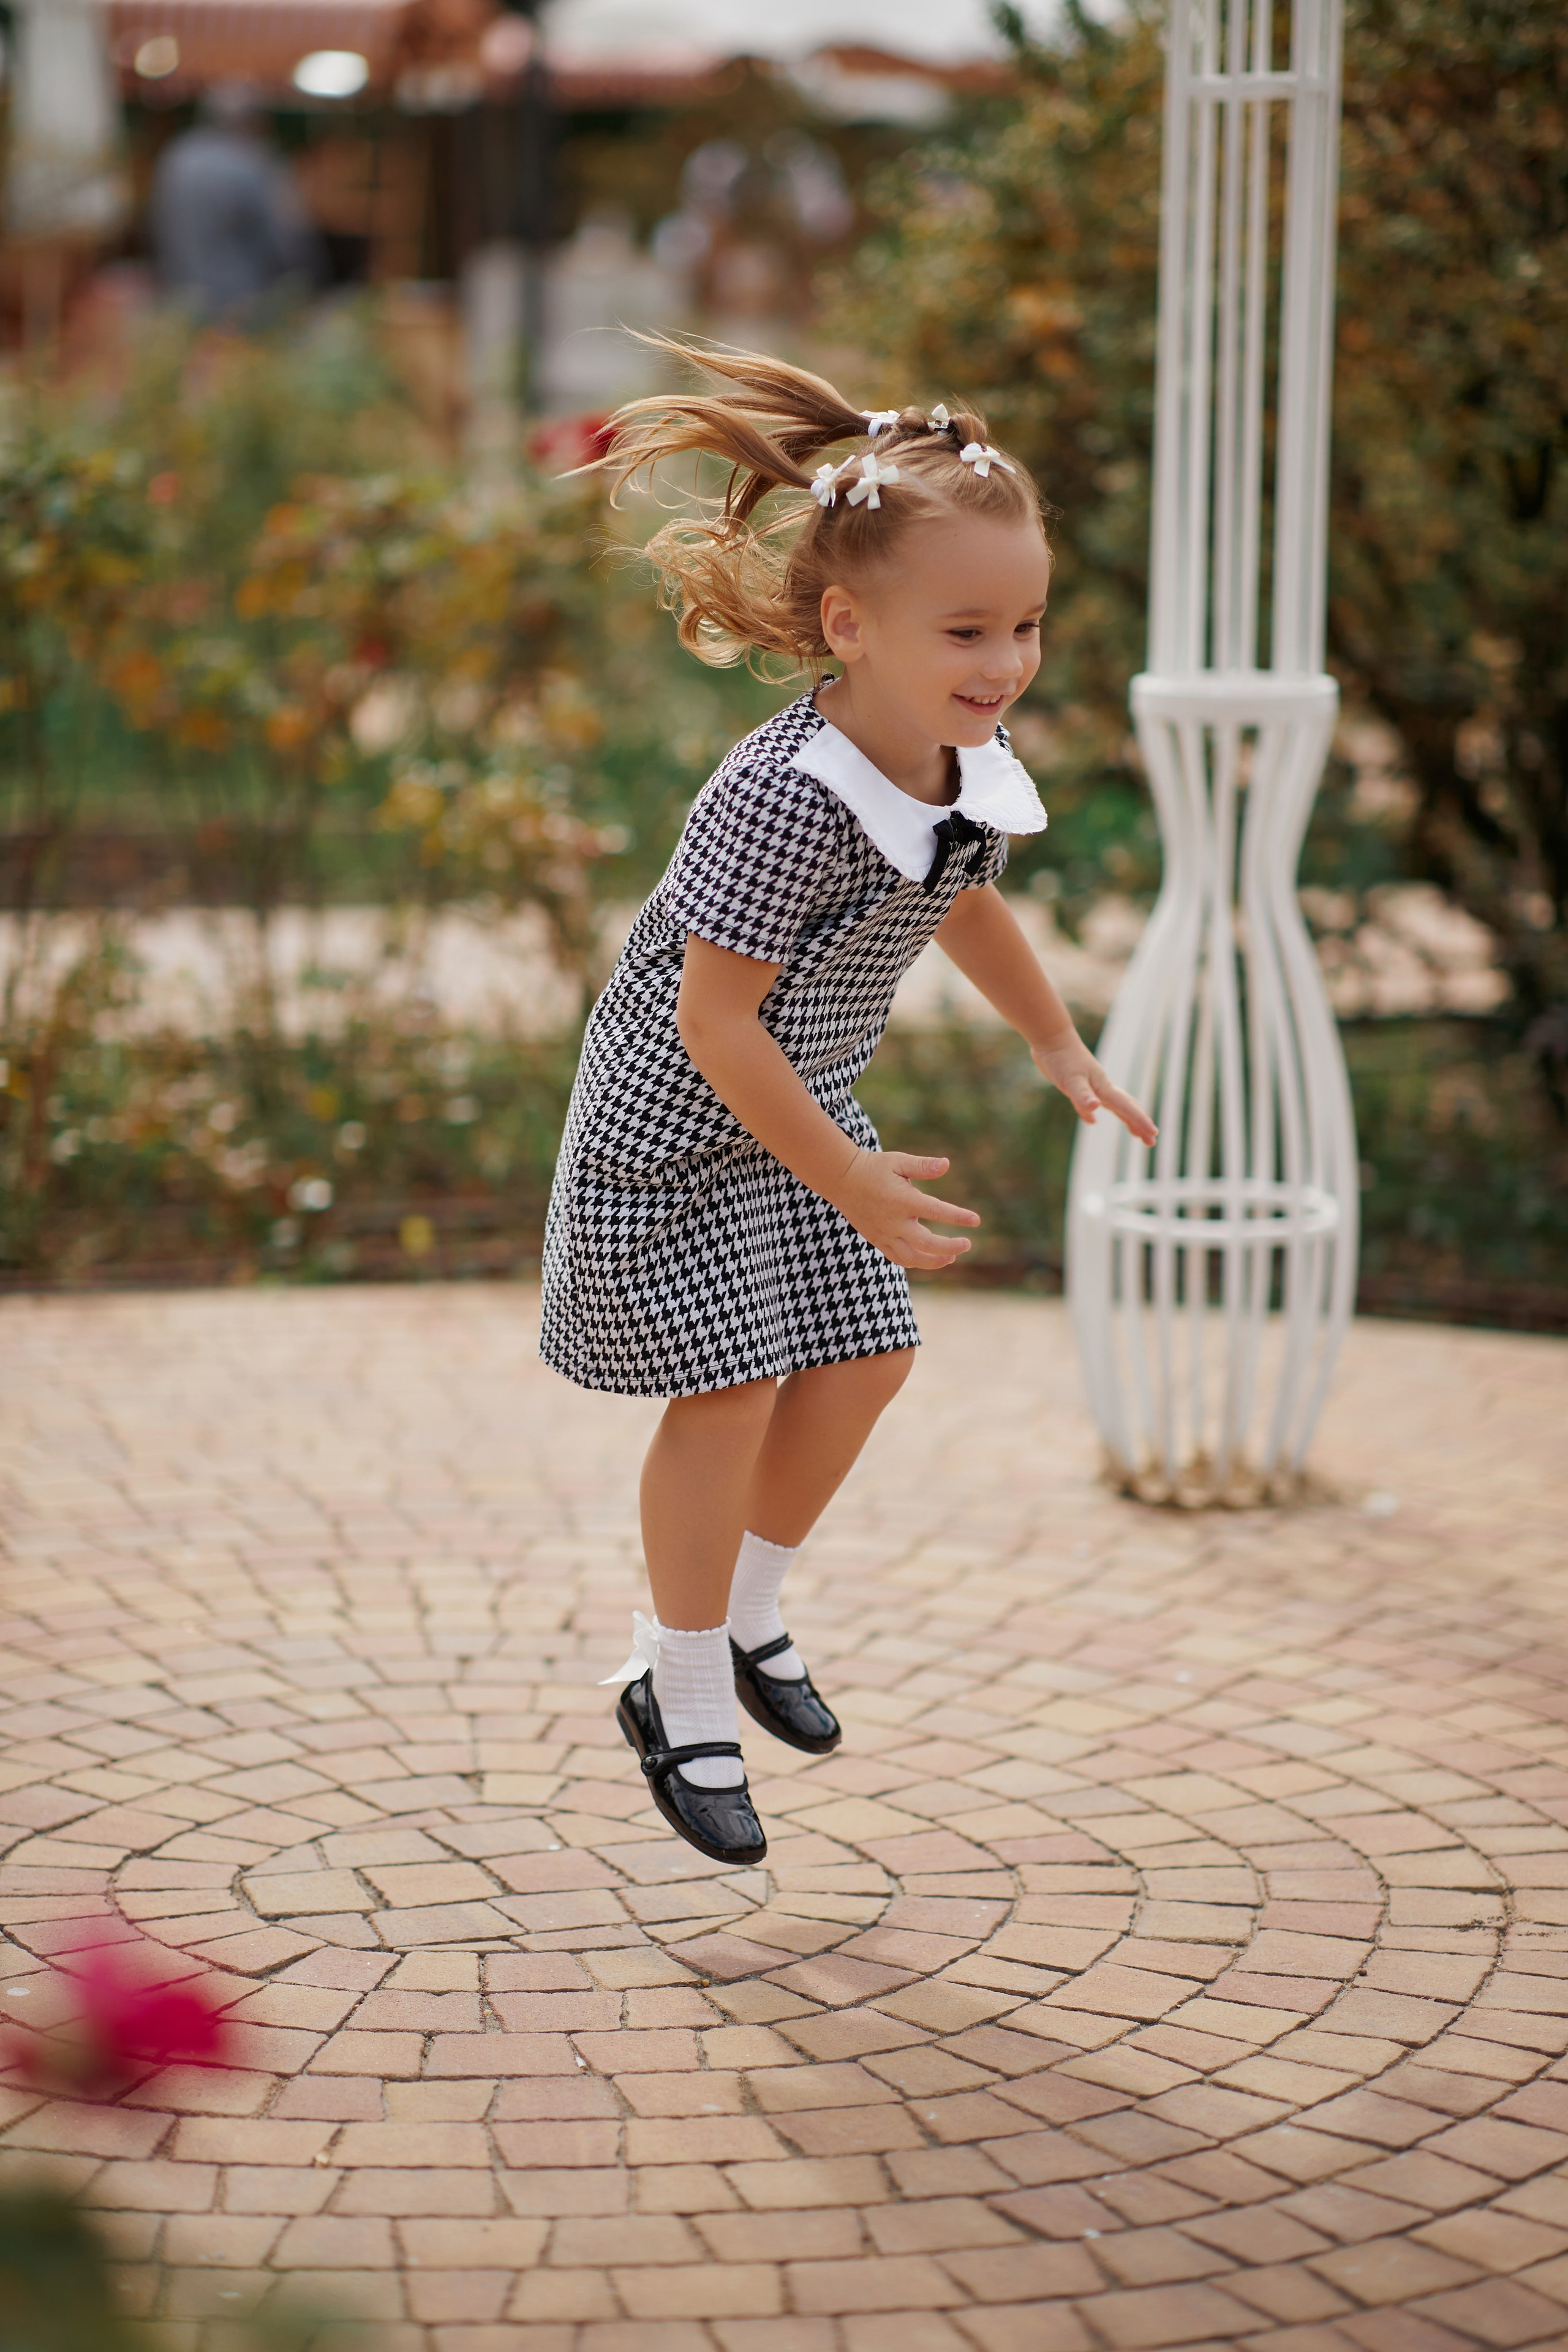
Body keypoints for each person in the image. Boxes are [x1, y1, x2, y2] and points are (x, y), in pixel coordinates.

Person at [541, 345, 1156, 1866]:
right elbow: (711, 1020)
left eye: (1022, 623)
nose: (1003, 658)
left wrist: (1055, 1041)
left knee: (866, 1353)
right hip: (681, 1122)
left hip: (793, 1109)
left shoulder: (953, 747)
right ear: (847, 622)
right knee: (733, 1383)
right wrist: (859, 1181)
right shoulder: (780, 794)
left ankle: (740, 1622)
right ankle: (672, 1687)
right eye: (966, 628)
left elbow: (962, 899)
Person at [149, 85, 320, 322]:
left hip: (180, 297)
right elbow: (289, 239)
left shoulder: (176, 155)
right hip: (242, 305)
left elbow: (157, 223)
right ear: (252, 119)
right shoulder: (253, 160)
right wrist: (311, 283)